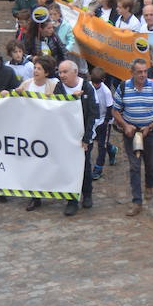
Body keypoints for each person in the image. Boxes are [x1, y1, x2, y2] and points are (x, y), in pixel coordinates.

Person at [57, 59, 98, 217]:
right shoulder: (59, 88)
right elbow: (57, 109)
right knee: (69, 169)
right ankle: (72, 200)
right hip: (66, 137)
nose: (62, 75)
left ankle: (87, 194)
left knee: (85, 167)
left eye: (65, 72)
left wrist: (86, 139)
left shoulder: (86, 87)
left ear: (75, 72)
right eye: (60, 72)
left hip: (83, 137)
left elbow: (92, 114)